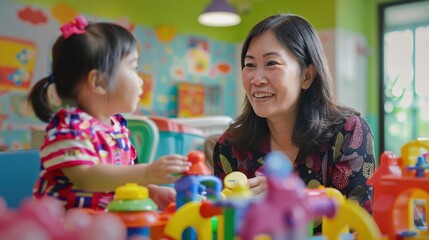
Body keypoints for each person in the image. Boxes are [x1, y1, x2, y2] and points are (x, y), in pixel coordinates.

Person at [212, 13, 375, 232]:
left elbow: (357, 226)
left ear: (307, 76)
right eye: (250, 65)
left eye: (271, 63)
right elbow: (224, 227)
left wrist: (287, 199)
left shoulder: (348, 133)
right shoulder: (230, 147)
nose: (256, 79)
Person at [27, 15, 190, 211]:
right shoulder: (69, 127)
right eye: (133, 68)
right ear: (99, 82)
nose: (140, 81)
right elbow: (86, 177)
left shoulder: (118, 126)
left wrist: (151, 190)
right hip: (66, 227)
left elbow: (121, 175)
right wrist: (146, 172)